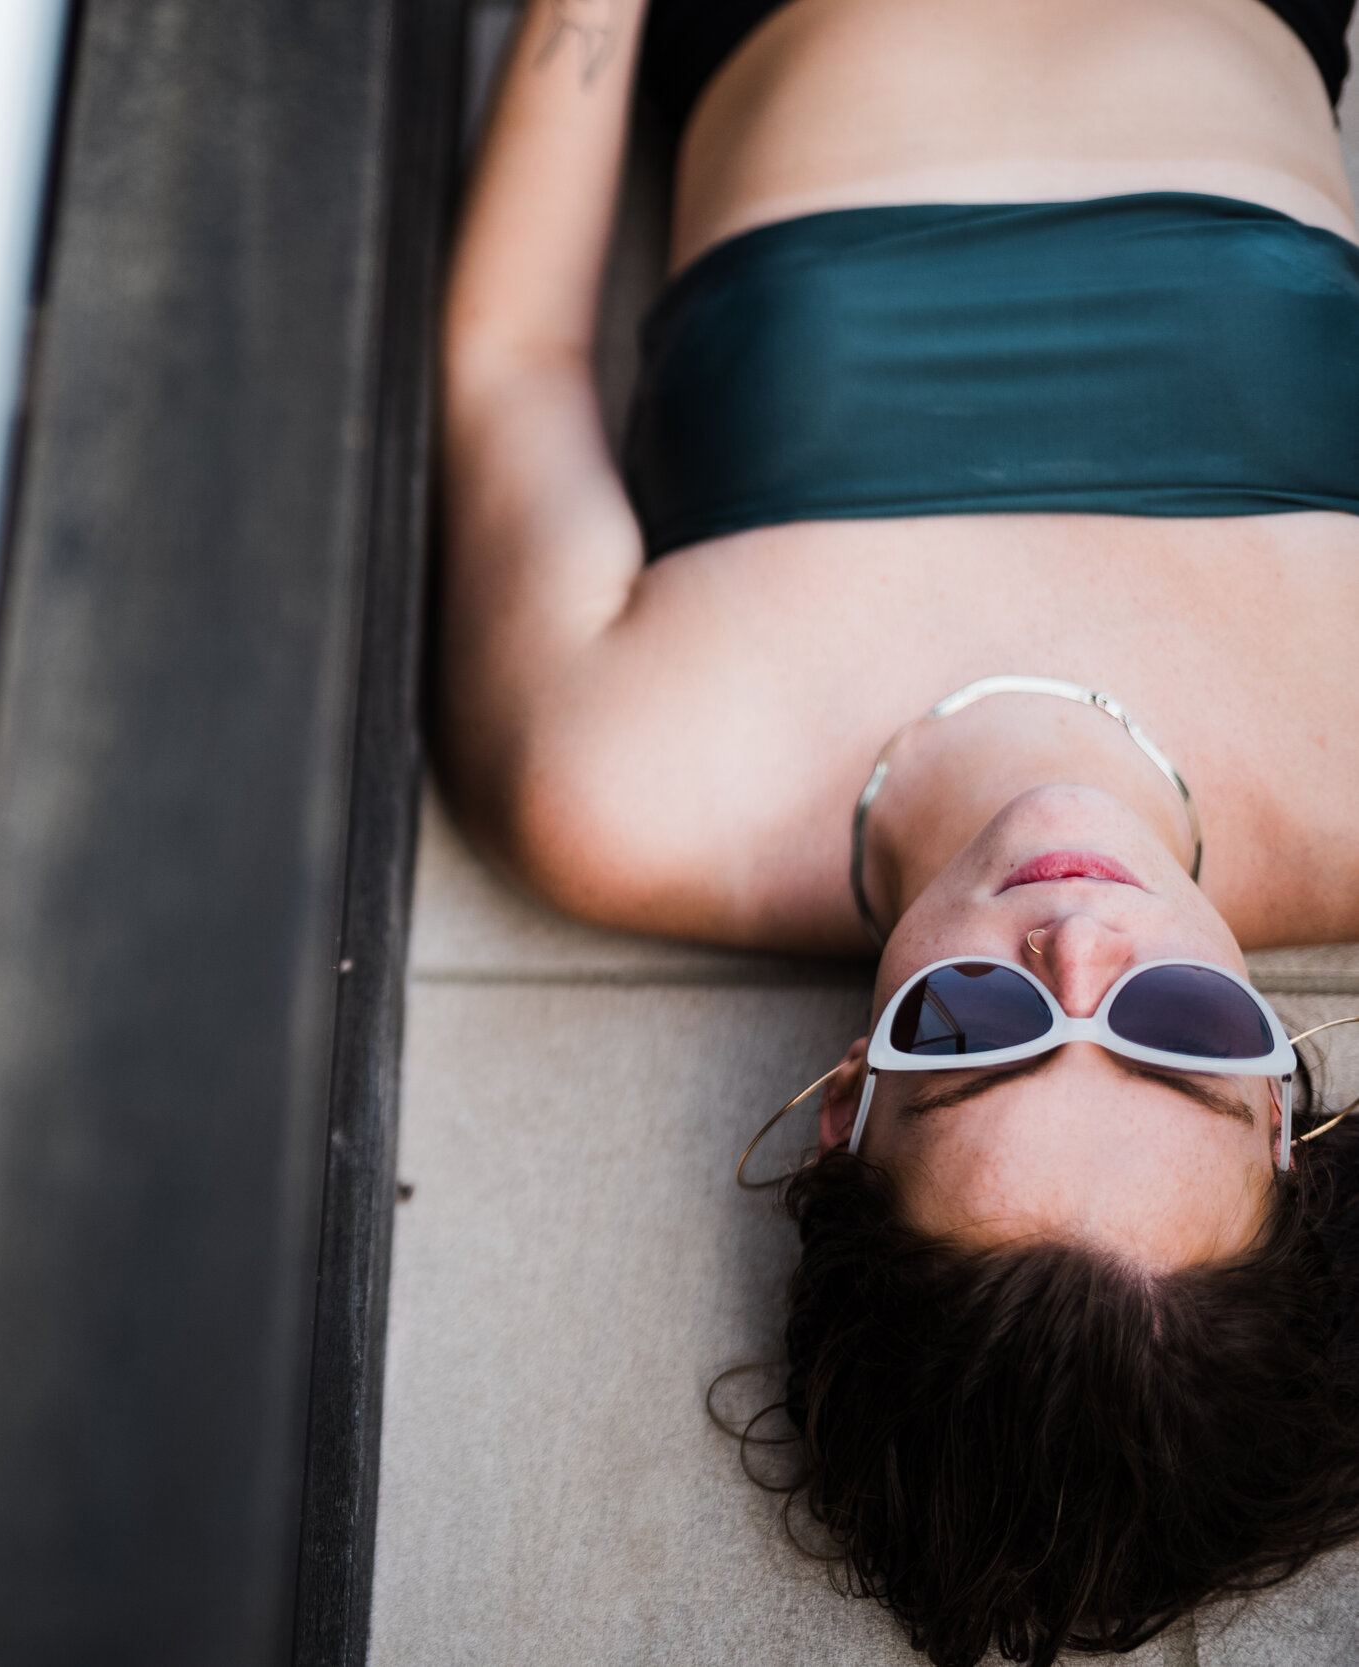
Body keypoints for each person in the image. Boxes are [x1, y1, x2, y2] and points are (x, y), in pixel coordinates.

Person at [441, 0, 1359, 1661]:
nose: (1081, 945)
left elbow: (509, 360)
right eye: (1176, 1031)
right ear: (1283, 1094)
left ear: (850, 1106)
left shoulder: (627, 786)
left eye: (983, 1033)